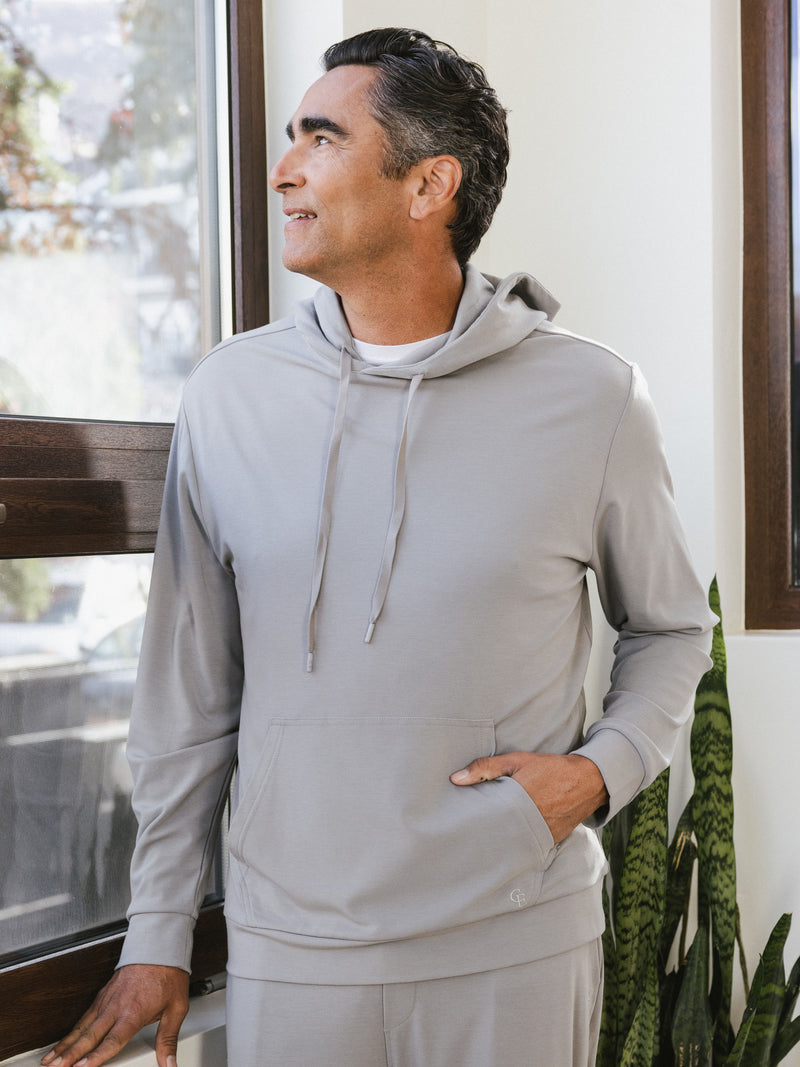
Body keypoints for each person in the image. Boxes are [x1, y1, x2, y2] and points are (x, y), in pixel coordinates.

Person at [43, 27, 715, 1067]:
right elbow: (186, 696)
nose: (282, 169)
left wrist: (594, 775)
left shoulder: (590, 396)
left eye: (321, 137)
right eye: (288, 138)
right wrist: (157, 930)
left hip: (517, 940)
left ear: (427, 184)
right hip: (293, 948)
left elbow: (670, 626)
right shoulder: (229, 395)